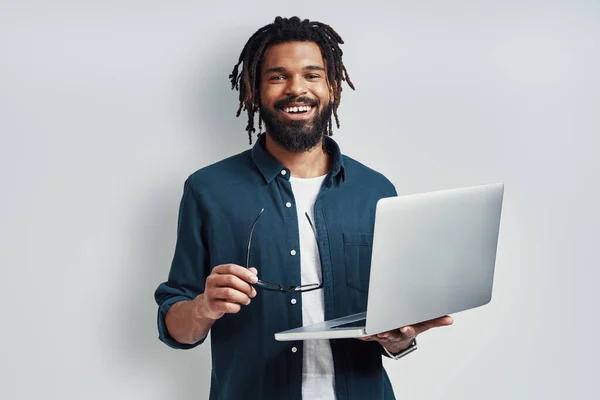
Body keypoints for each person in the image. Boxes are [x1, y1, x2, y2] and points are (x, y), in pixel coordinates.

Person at [154, 16, 453, 400]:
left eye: (312, 75)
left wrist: (399, 339)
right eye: (278, 77)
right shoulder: (208, 190)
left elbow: (390, 327)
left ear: (332, 88)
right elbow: (175, 327)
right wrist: (202, 308)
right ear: (254, 92)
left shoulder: (376, 190)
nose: (297, 89)